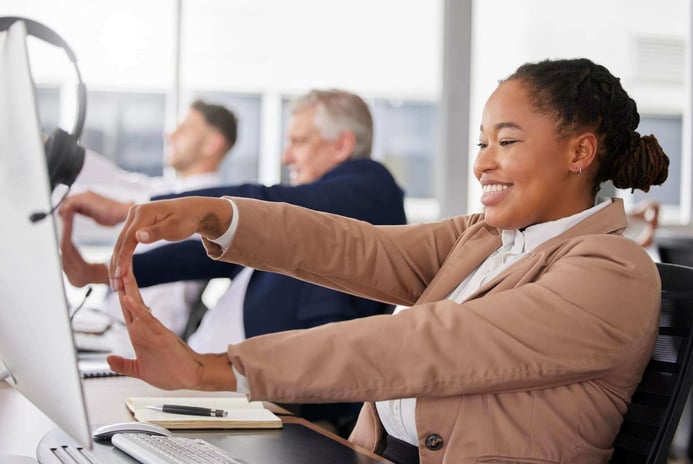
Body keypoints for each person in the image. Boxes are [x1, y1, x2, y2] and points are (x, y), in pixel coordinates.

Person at [105, 58, 670, 463]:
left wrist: (218, 369)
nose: (483, 165)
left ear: (580, 152)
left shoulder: (611, 271)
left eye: (507, 142)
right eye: (481, 144)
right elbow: (360, 248)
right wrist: (217, 215)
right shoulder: (487, 237)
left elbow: (434, 342)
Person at [59, 89, 407, 437]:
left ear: (343, 146)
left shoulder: (371, 187)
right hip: (210, 385)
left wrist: (144, 206)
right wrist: (99, 273)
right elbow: (204, 257)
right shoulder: (314, 219)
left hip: (260, 402)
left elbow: (269, 202)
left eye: (299, 141)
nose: (287, 155)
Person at [66, 99, 238, 335]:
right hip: (111, 325)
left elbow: (129, 193)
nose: (170, 134)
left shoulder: (212, 210)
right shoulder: (167, 191)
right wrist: (60, 154)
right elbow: (119, 182)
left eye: (185, 129)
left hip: (138, 334)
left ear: (212, 144)